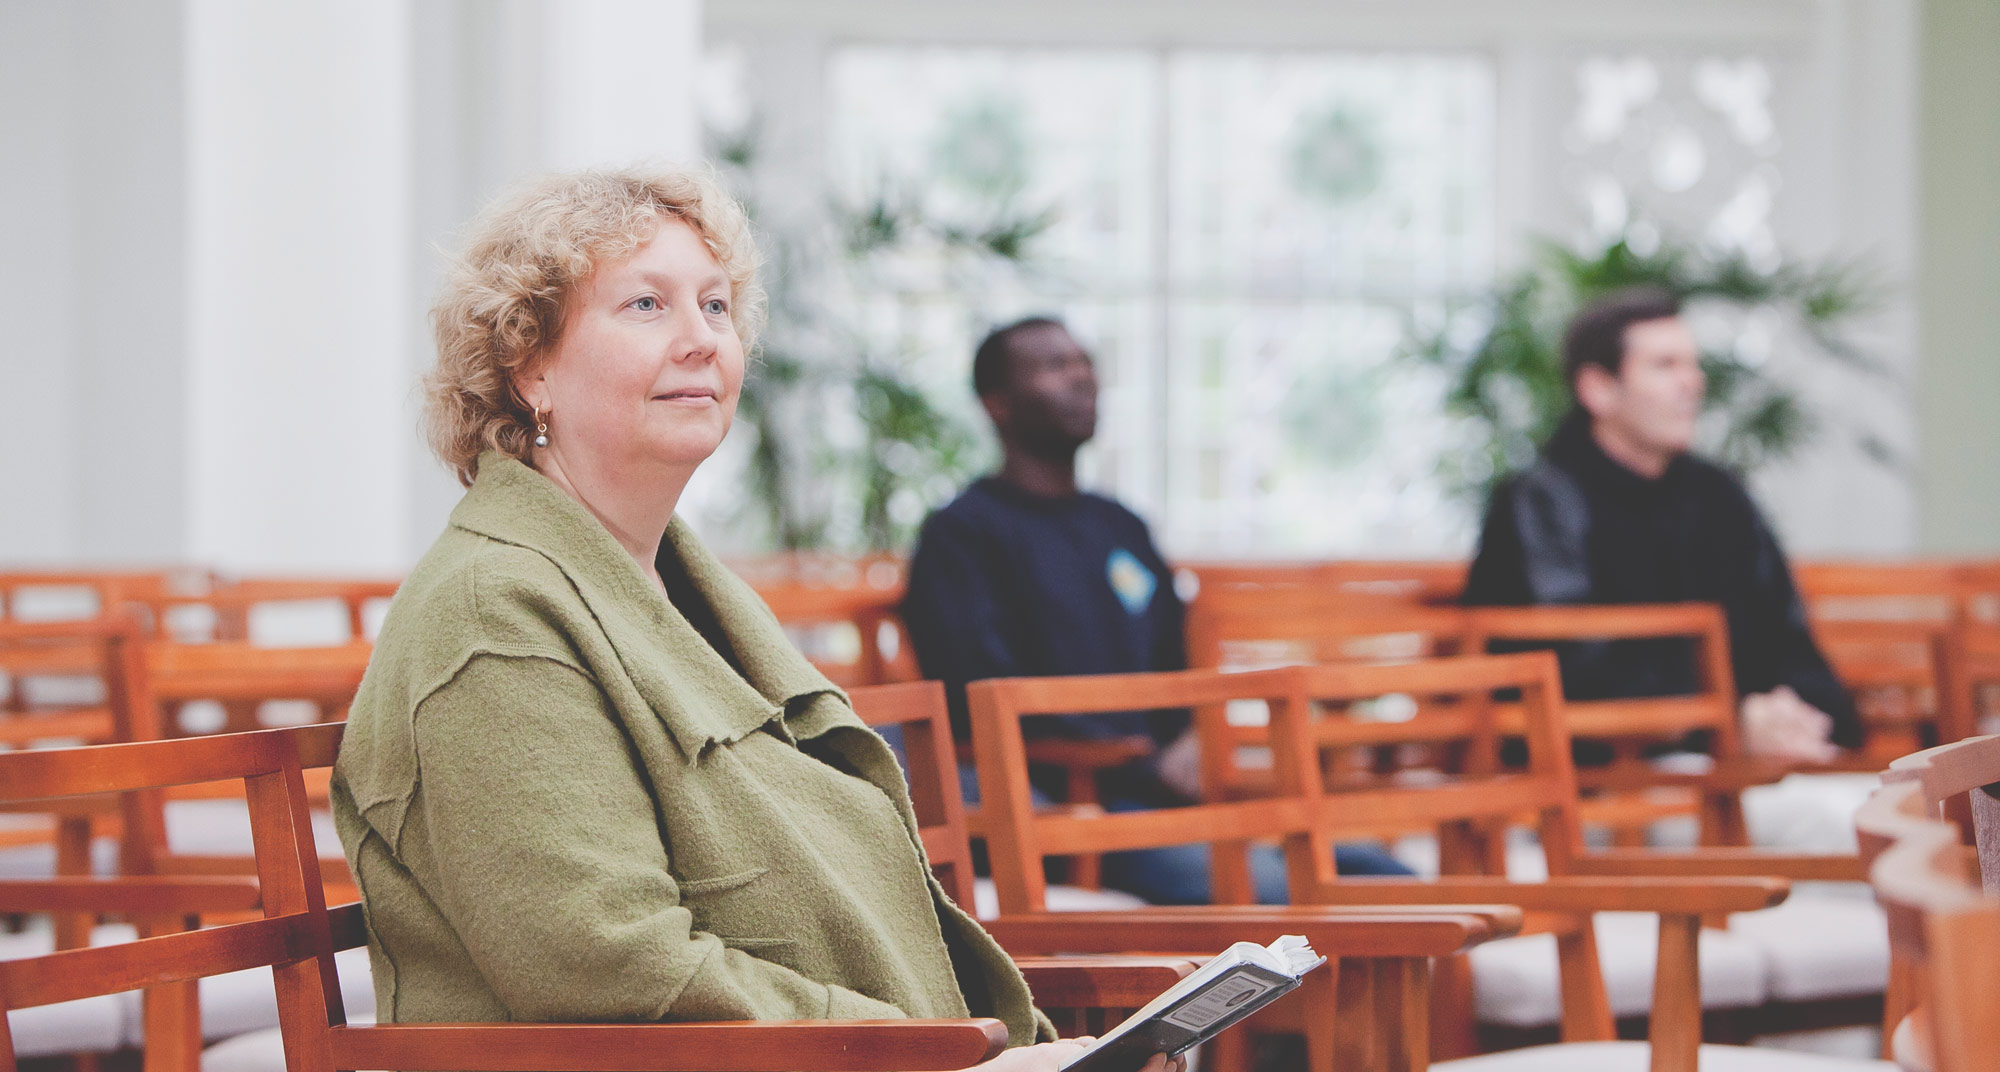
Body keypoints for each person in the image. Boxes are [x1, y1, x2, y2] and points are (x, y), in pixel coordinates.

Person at [330, 167, 1174, 1072]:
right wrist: (947, 1054)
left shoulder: (671, 583)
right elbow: (608, 964)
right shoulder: (490, 614)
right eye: (647, 304)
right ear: (528, 362)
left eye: (718, 307)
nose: (701, 339)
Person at [902, 317, 1411, 906]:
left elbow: (1178, 657)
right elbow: (977, 695)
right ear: (998, 406)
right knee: (1283, 891)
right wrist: (1143, 759)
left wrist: (1195, 733)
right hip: (1067, 802)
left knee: (1388, 874)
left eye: (1083, 362)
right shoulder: (962, 535)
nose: (1082, 378)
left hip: (1170, 795)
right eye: (1052, 366)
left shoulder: (1119, 525)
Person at [1462, 286, 1860, 761]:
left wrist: (1800, 712)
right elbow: (1572, 670)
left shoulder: (1720, 496)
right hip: (1611, 779)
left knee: (1901, 808)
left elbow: (1786, 638)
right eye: (1665, 365)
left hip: (1749, 756)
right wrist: (1725, 725)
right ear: (1598, 389)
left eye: (1692, 364)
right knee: (1839, 823)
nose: (1692, 382)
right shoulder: (1541, 504)